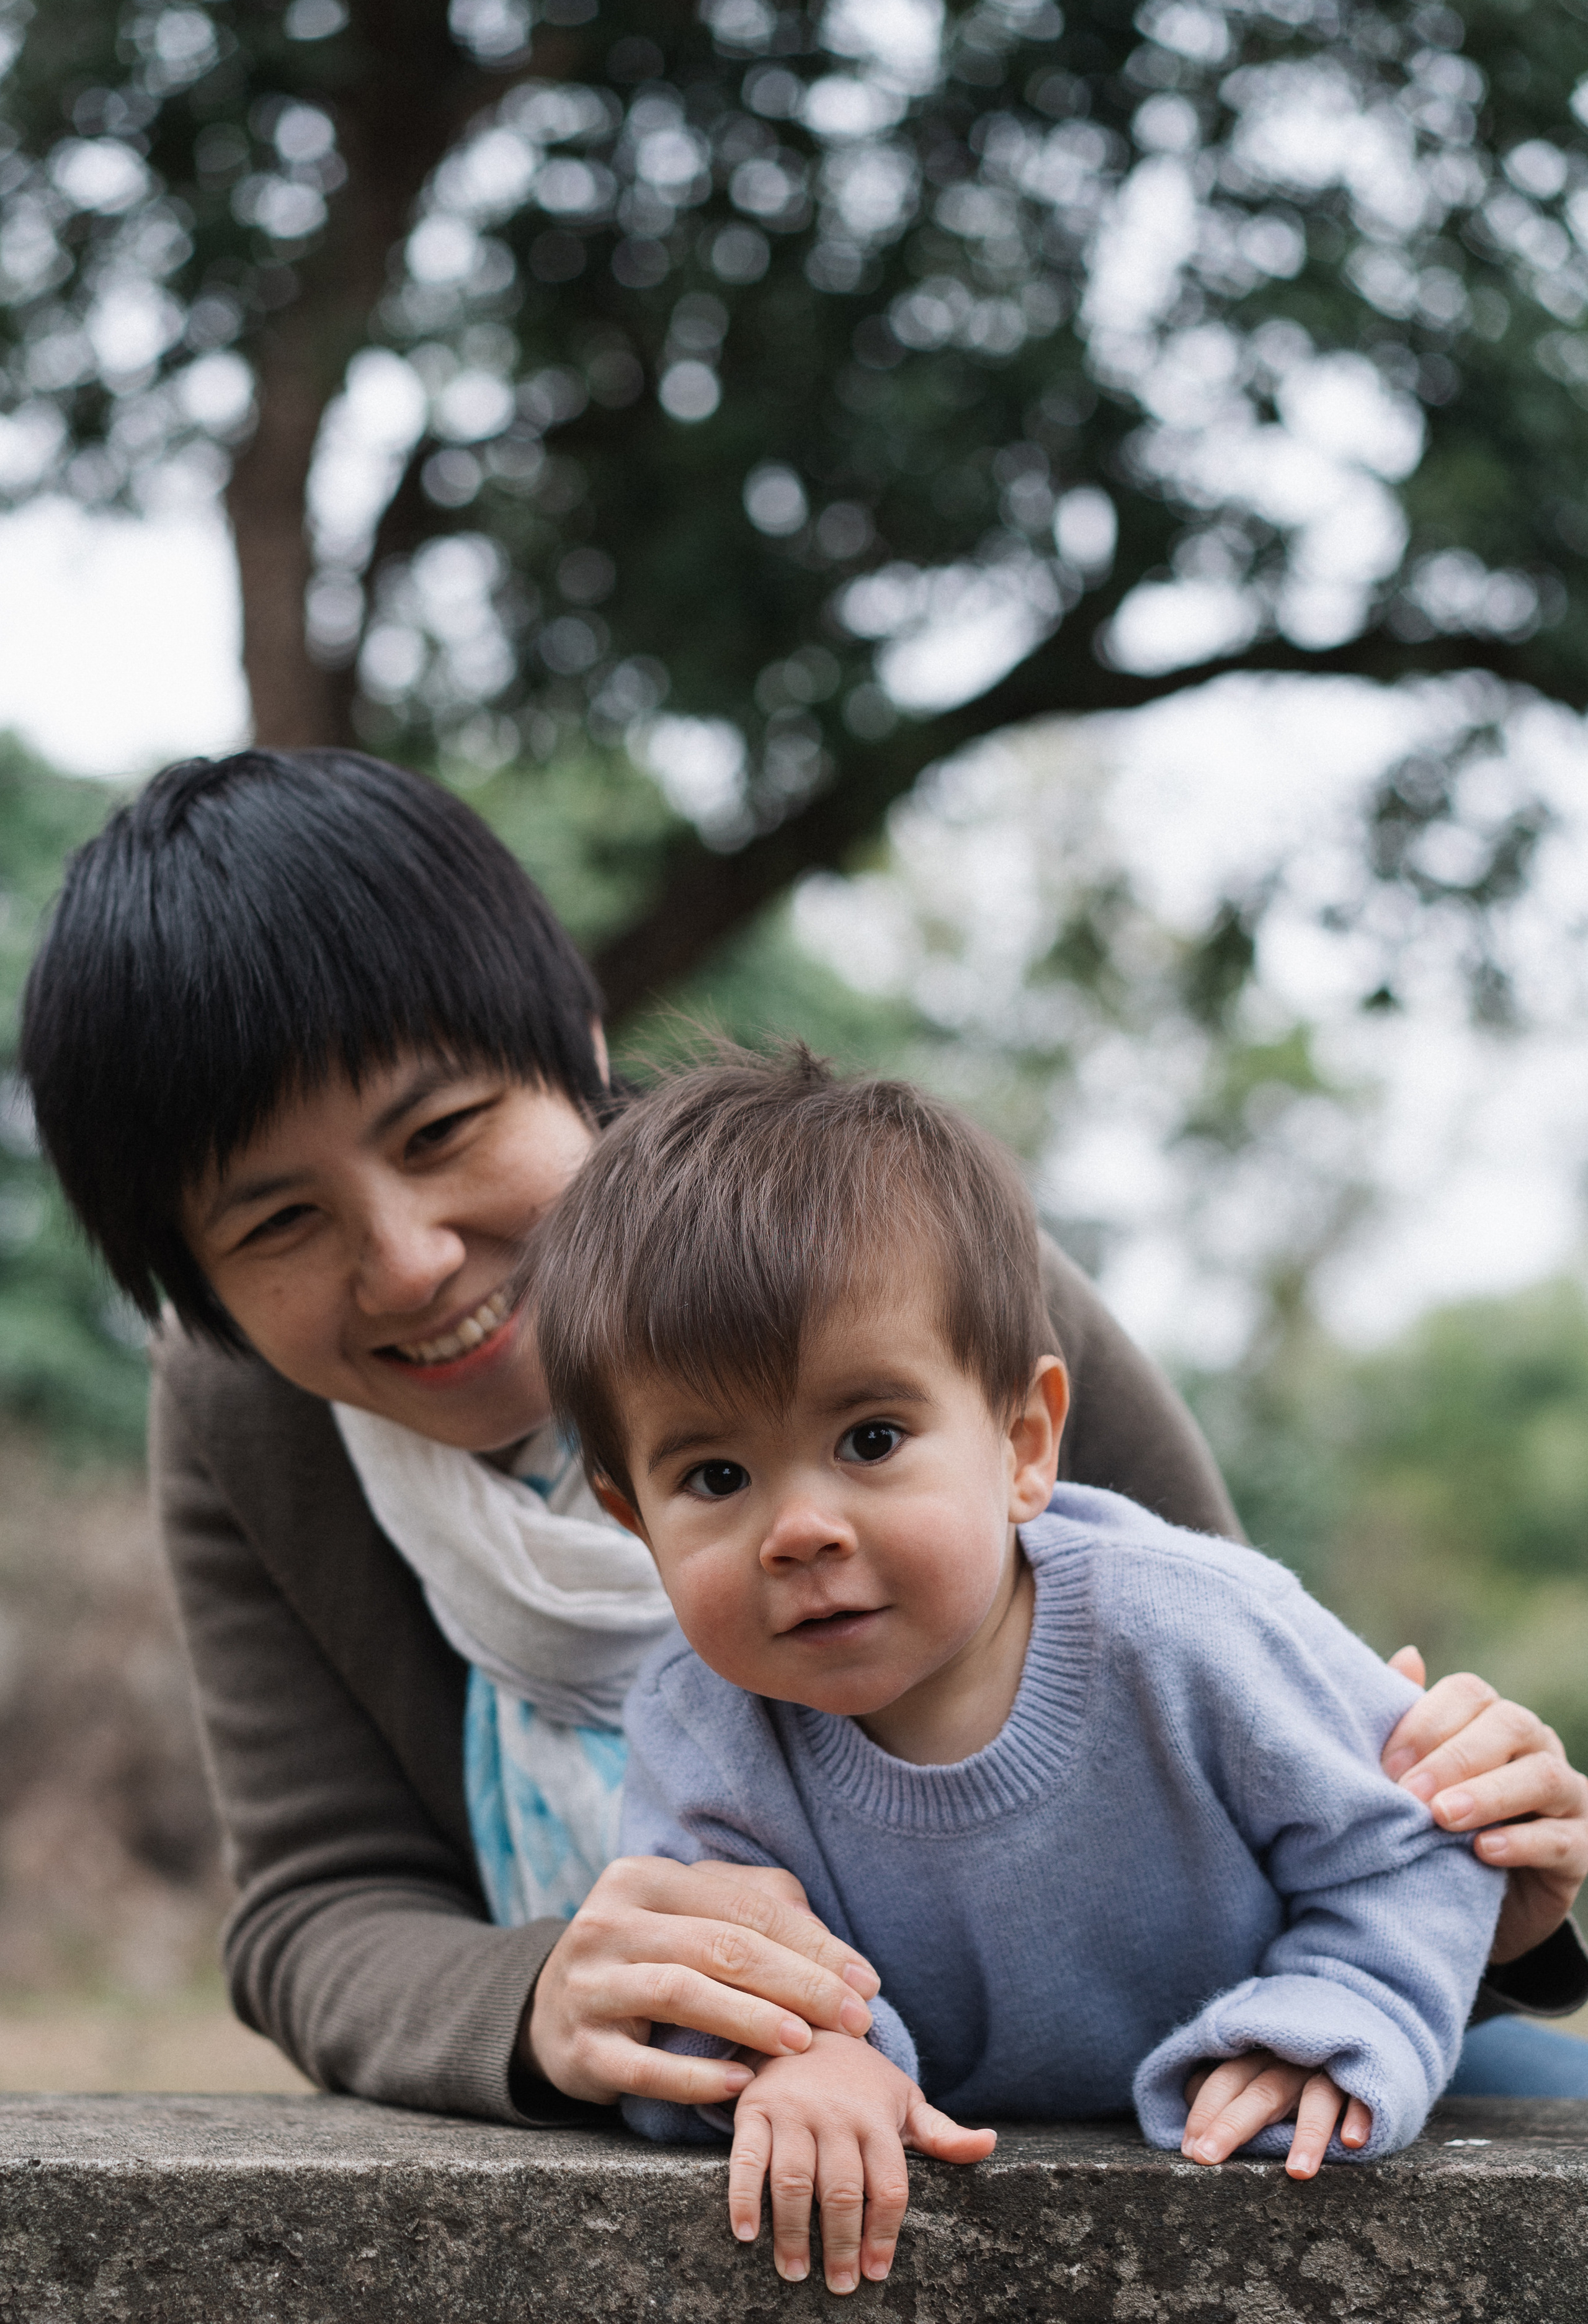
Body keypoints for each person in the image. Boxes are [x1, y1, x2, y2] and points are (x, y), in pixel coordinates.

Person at [17, 749, 1588, 2130]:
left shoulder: (884, 1275)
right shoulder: (248, 1415)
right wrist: (543, 2000)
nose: (409, 1261)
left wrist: (1482, 1870)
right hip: (749, 2105)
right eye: (277, 1222)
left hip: (1194, 2049)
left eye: (442, 1133)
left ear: (576, 1046)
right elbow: (316, 1899)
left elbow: (1247, 1732)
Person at [531, 1047, 1504, 2291]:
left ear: (1023, 1441)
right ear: (633, 1518)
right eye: (715, 1477)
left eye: (870, 1438)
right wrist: (804, 2062)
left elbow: (1415, 1844)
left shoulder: (1192, 1627)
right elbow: (694, 1986)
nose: (800, 1530)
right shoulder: (700, 1727)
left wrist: (1334, 2018)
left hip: (1251, 2165)